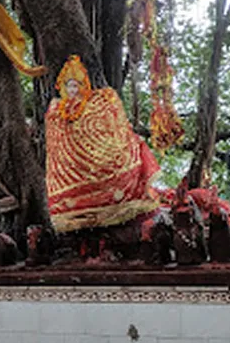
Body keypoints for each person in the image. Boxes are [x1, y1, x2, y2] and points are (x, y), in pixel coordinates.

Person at [45, 55, 161, 233]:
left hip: (98, 157)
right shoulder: (57, 109)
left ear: (83, 86)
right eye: (69, 86)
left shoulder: (97, 103)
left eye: (76, 86)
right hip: (72, 165)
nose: (72, 90)